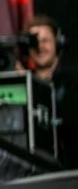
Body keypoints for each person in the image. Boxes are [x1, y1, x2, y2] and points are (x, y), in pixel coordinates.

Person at [24, 15, 77, 168]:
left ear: (58, 43)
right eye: (34, 42)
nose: (40, 46)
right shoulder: (22, 83)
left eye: (45, 41)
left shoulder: (73, 80)